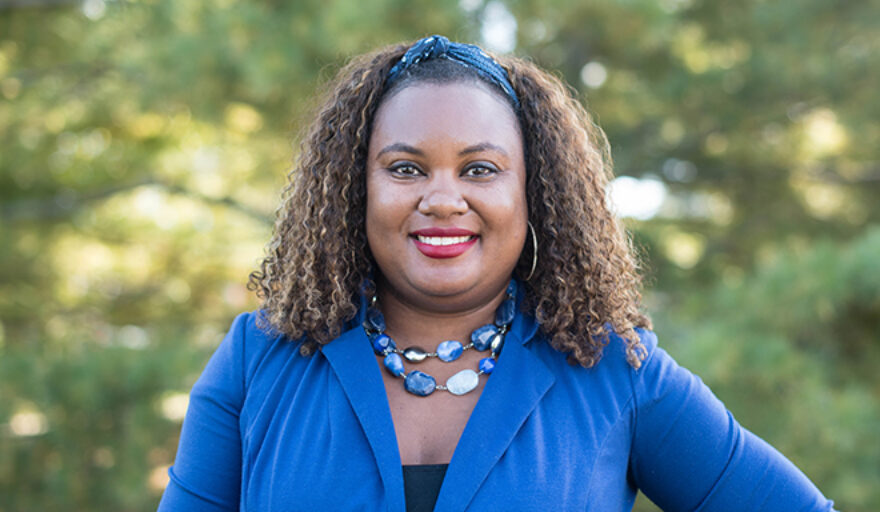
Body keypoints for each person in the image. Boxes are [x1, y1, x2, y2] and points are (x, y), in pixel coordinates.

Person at [157, 35, 836, 511]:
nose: (444, 198)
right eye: (406, 168)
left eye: (480, 169)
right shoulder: (258, 362)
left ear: (530, 192)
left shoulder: (611, 371)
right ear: (354, 189)